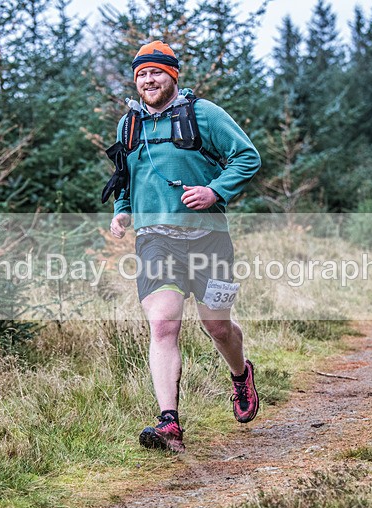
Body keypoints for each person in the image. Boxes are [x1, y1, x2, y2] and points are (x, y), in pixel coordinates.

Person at [107, 40, 261, 453]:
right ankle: (168, 423)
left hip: (208, 238)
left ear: (172, 75)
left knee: (218, 326)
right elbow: (125, 175)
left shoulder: (204, 114)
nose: (148, 80)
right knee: (163, 323)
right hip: (155, 240)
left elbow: (247, 157)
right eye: (141, 74)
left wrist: (214, 191)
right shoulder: (129, 125)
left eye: (156, 72)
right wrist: (122, 211)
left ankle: (240, 374)